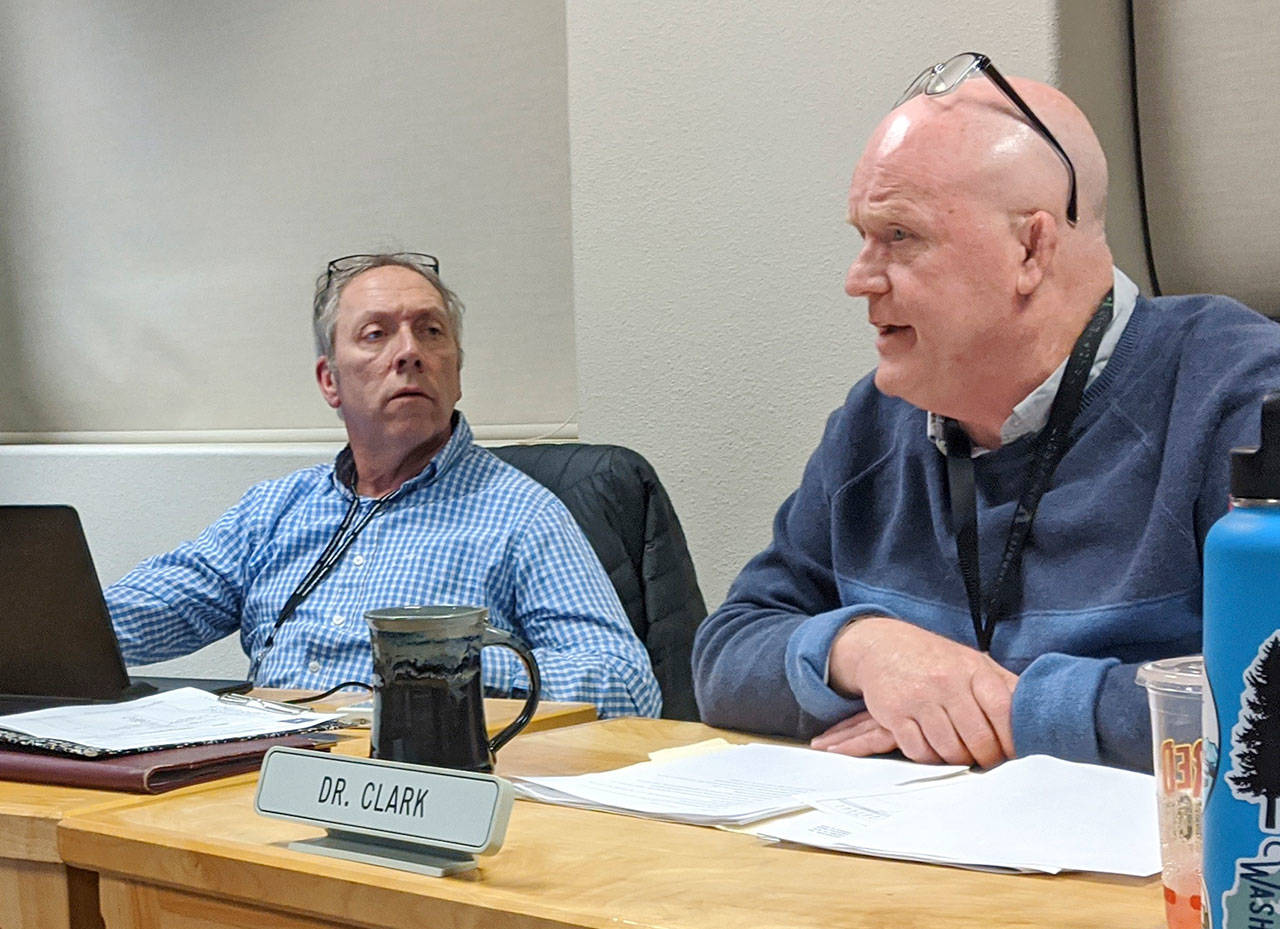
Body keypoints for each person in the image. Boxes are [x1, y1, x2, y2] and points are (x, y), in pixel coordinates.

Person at [691, 54, 1280, 771]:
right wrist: (866, 649)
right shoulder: (877, 420)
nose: (857, 279)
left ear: (1031, 247)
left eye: (900, 237)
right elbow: (724, 653)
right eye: (861, 236)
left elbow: (1264, 700)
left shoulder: (1240, 396)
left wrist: (1014, 709)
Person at [108, 252, 661, 718]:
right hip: (262, 778)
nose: (409, 352)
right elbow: (141, 613)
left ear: (457, 371)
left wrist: (439, 670)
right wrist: (34, 622)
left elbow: (626, 685)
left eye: (431, 331)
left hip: (415, 787)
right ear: (330, 380)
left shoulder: (521, 515)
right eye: (376, 334)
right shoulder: (276, 510)